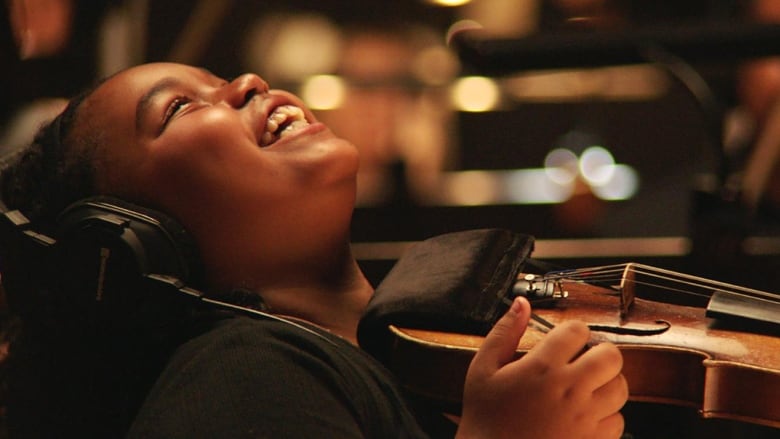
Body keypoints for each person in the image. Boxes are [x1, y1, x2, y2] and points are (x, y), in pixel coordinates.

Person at [0, 62, 627, 438]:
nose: (246, 82)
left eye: (221, 78)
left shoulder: (373, 361)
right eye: (182, 107)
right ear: (135, 242)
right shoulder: (245, 376)